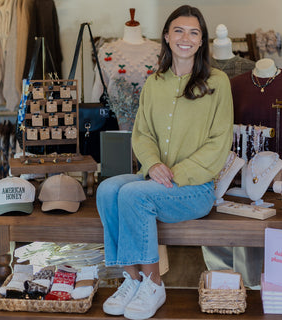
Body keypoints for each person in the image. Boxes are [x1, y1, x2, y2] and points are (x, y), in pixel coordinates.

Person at [96, 5, 233, 320]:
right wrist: (154, 164)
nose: (186, 38)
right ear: (168, 37)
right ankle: (131, 279)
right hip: (154, 179)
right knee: (106, 190)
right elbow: (142, 134)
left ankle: (154, 284)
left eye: (194, 32)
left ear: (201, 41)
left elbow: (219, 142)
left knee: (133, 194)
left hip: (195, 189)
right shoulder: (154, 82)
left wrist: (174, 173)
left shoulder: (218, 82)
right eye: (179, 31)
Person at [91, 9, 160, 131]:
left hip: (153, 127)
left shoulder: (159, 51)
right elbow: (98, 90)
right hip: (115, 127)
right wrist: (94, 121)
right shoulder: (106, 51)